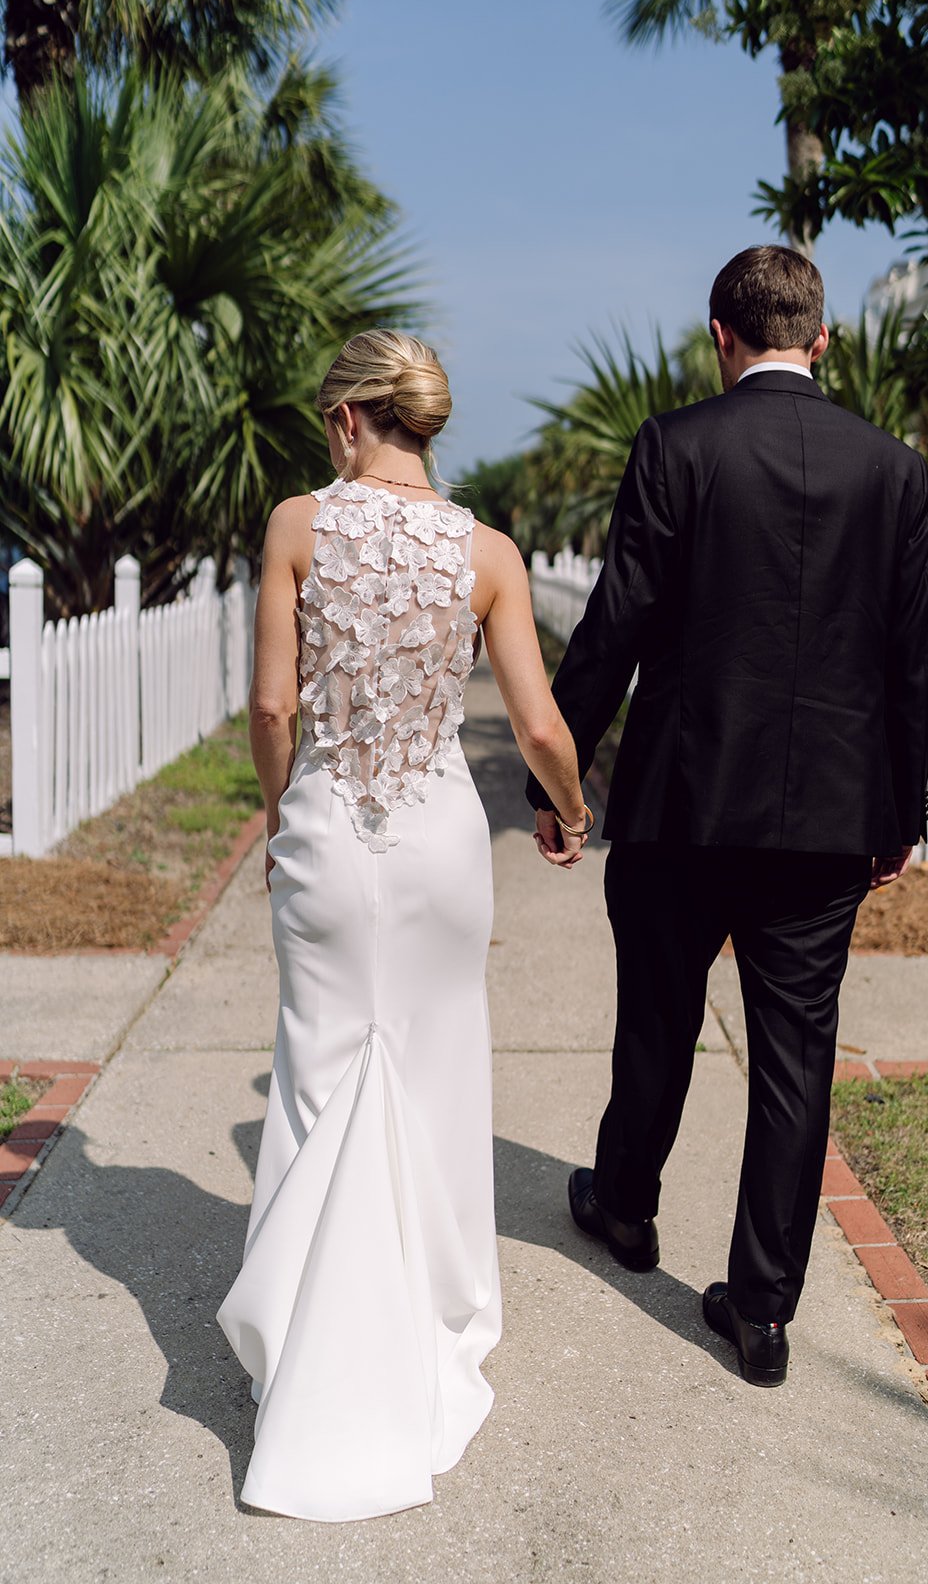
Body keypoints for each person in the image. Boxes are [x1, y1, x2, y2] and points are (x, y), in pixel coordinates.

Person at [526, 246, 928, 1388]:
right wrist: (898, 813)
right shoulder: (894, 472)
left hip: (678, 806)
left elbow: (613, 623)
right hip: (823, 826)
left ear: (718, 336)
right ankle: (761, 1313)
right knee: (794, 1059)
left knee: (654, 1017)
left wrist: (555, 782)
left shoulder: (676, 445)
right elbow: (912, 661)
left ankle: (624, 1204)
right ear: (820, 341)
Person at [216, 329, 590, 1521]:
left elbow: (273, 703)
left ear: (345, 421)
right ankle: (432, 1319)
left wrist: (282, 814)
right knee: (432, 1076)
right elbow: (535, 725)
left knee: (319, 1069)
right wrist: (569, 810)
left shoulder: (295, 526)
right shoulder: (486, 551)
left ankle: (301, 1337)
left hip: (329, 835)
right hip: (435, 845)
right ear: (422, 424)